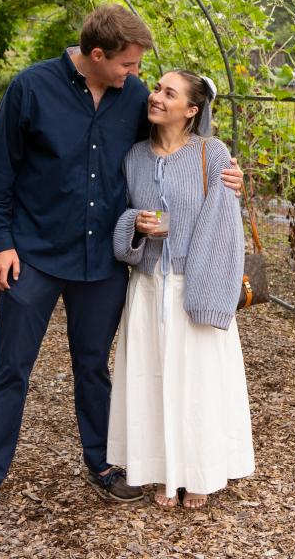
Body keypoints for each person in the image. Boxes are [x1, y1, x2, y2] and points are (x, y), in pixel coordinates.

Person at [0, 6, 241, 529]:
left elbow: (176, 146)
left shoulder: (136, 99)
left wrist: (229, 176)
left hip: (102, 264)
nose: (138, 77)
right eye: (130, 65)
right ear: (97, 56)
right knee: (11, 367)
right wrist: (1, 244)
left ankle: (102, 463)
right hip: (36, 256)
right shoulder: (30, 89)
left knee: (94, 368)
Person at [107, 69, 254, 509]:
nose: (155, 97)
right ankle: (159, 469)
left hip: (197, 284)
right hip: (148, 286)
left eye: (168, 93)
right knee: (150, 378)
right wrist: (136, 225)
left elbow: (224, 227)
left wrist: (208, 295)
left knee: (198, 381)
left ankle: (201, 472)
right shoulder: (134, 157)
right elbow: (124, 216)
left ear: (191, 110)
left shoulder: (213, 153)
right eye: (156, 89)